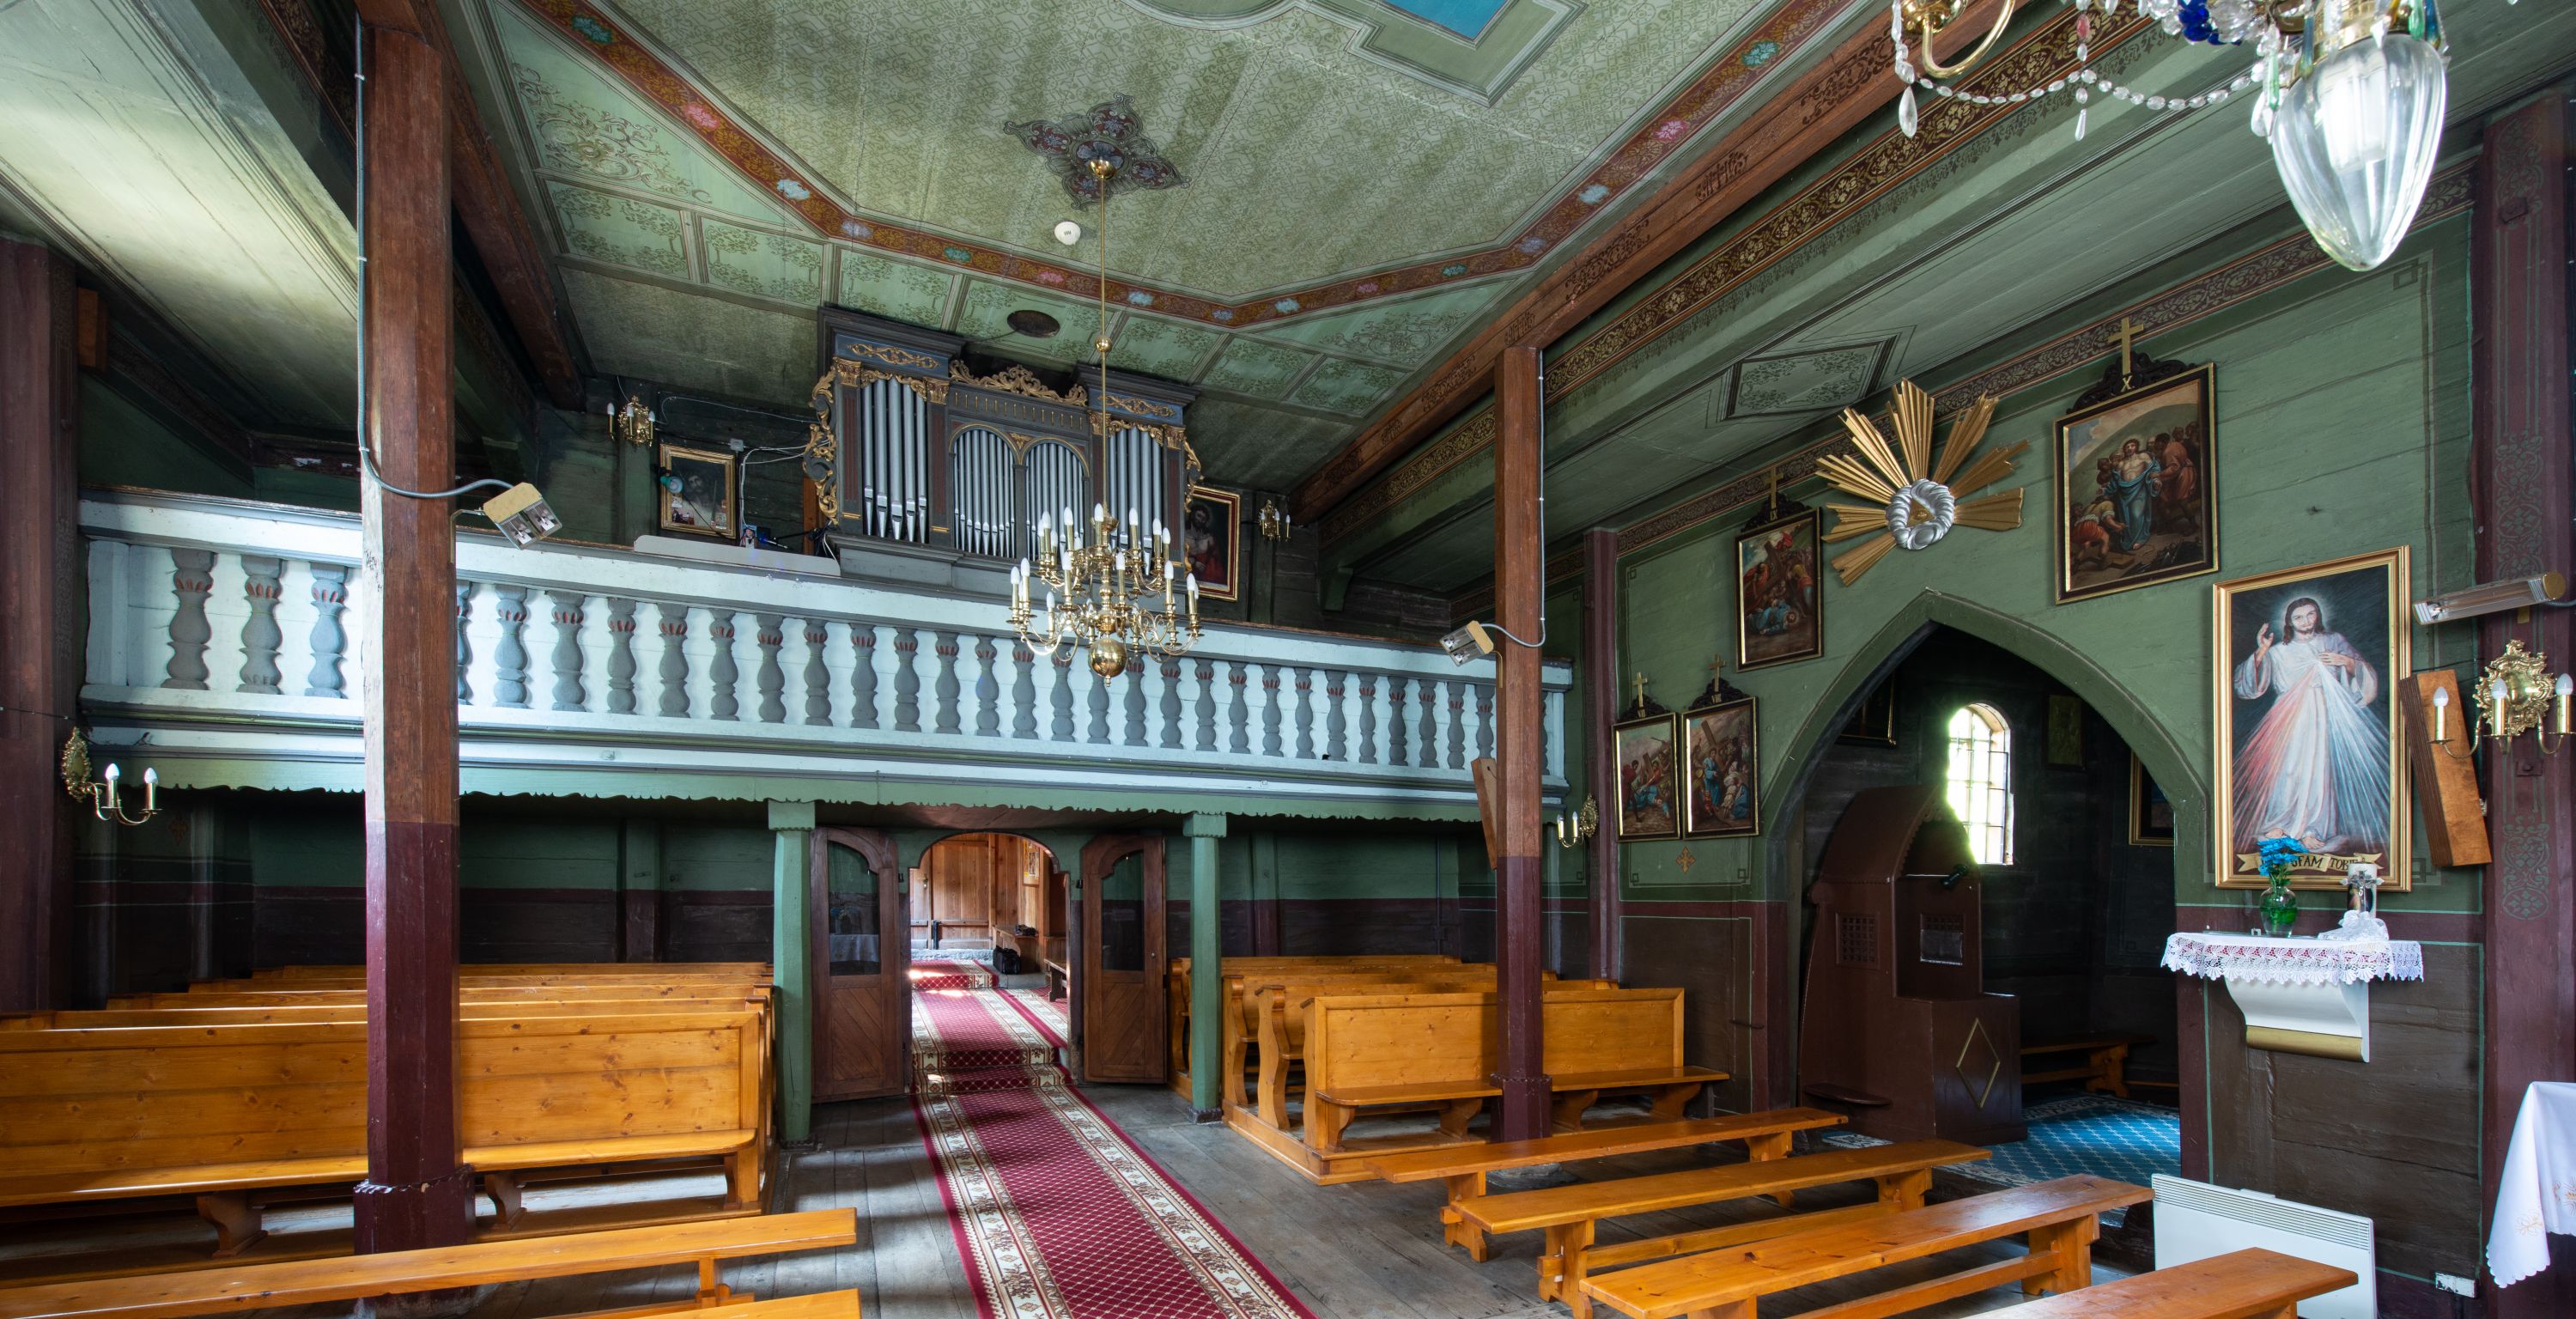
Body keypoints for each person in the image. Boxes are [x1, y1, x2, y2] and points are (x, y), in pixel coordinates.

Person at [2230, 595, 2391, 857]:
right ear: (2289, 622)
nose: (2305, 621)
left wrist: (2345, 661)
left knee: (2318, 771)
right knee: (2286, 770)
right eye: (2298, 617)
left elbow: (2364, 674)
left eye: (2310, 614)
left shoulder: (2333, 641)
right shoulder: (2278, 651)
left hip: (2321, 713)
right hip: (2287, 717)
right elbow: (2248, 687)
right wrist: (2261, 651)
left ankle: (2314, 828)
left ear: (2318, 615)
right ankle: (2281, 822)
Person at [2107, 438, 2160, 552]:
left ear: (2136, 447)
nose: (2130, 448)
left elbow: (2153, 468)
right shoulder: (2121, 463)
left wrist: (2155, 479)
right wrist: (2107, 490)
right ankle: (2130, 538)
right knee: (2127, 518)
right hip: (2124, 493)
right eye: (2127, 447)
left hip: (2139, 488)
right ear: (2124, 450)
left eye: (2132, 446)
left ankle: (2140, 539)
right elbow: (2115, 479)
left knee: (2136, 514)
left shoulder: (2143, 456)